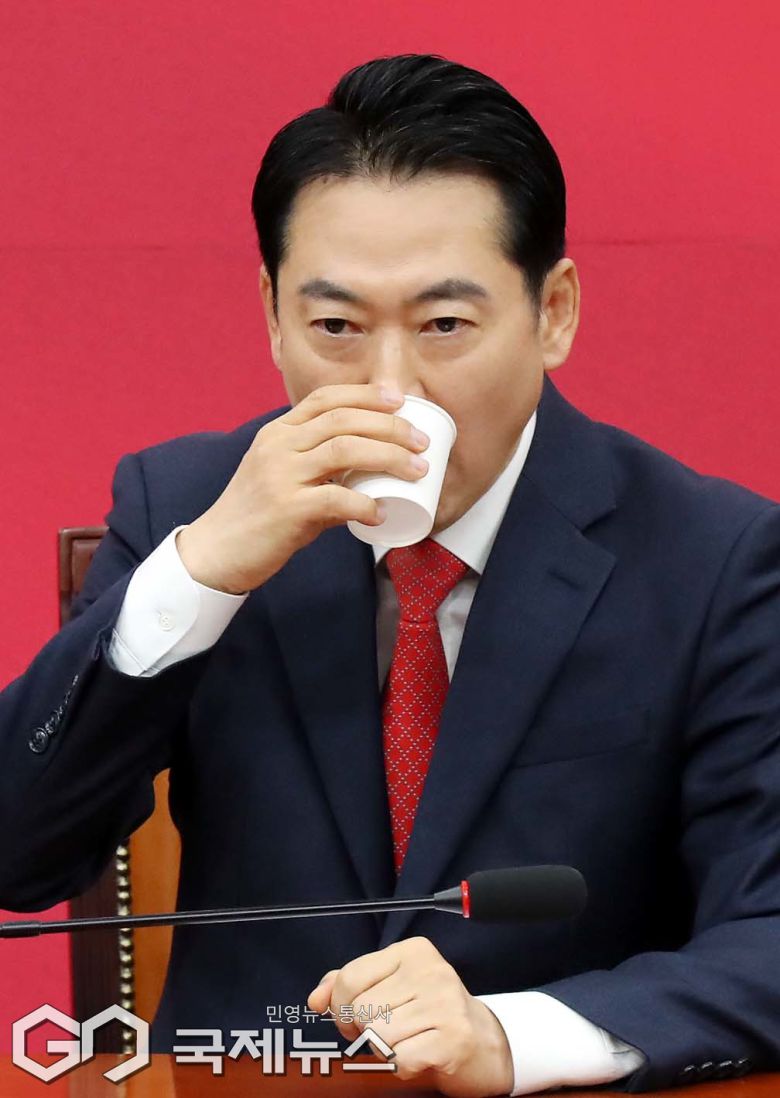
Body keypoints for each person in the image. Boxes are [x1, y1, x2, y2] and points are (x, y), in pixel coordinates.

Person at [1, 52, 779, 1096]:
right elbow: (19, 855)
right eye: (336, 327)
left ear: (553, 312)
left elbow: (771, 931)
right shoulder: (184, 507)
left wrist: (510, 1036)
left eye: (444, 325)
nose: (389, 387)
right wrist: (202, 577)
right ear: (272, 314)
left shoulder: (714, 559)